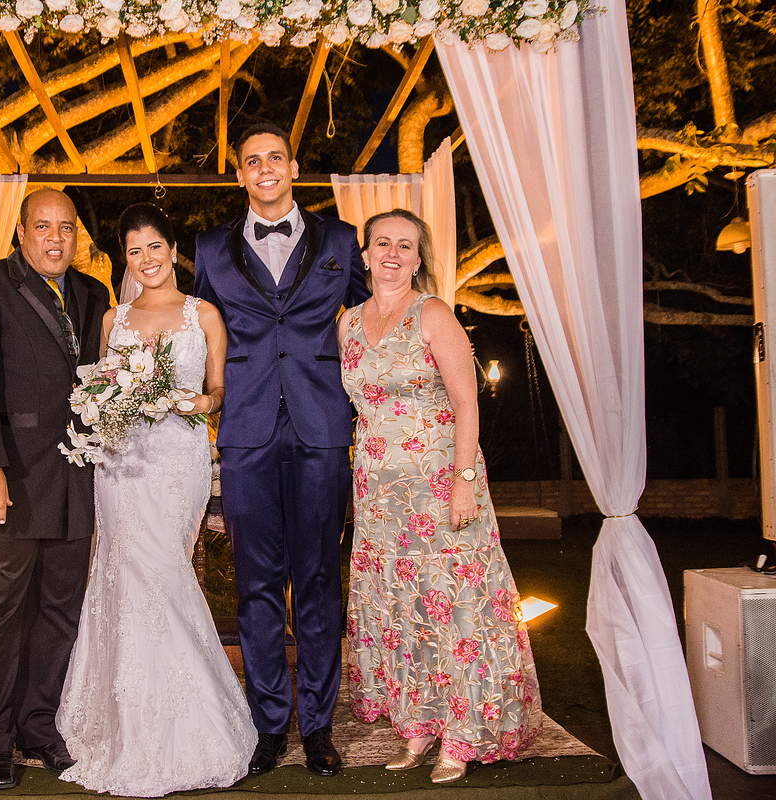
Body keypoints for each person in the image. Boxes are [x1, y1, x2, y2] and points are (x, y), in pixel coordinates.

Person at [56, 203, 257, 797]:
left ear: (172, 250)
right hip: (121, 463)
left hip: (176, 460)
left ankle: (193, 719)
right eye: (134, 251)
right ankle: (125, 721)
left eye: (155, 247)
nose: (146, 259)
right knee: (123, 574)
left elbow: (218, 389)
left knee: (165, 571)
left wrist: (200, 403)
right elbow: (99, 386)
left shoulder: (203, 314)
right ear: (126, 259)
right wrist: (105, 405)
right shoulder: (113, 319)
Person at [337, 208, 543, 784]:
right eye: (382, 243)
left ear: (418, 258)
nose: (392, 253)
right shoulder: (347, 324)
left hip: (438, 486)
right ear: (365, 254)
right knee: (403, 609)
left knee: (454, 607)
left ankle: (462, 733)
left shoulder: (433, 314)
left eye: (405, 245)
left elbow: (467, 404)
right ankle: (419, 725)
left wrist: (464, 482)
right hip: (378, 495)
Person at [193, 123, 369, 777]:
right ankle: (269, 724)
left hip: (322, 427)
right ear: (239, 173)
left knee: (319, 582)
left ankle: (318, 726)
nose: (264, 167)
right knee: (257, 585)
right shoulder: (210, 248)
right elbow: (199, 332)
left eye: (275, 157)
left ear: (293, 167)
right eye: (251, 160)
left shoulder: (341, 240)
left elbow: (370, 319)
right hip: (245, 432)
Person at [0, 188, 111, 790]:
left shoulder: (94, 294)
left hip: (75, 479)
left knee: (59, 611)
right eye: (43, 227)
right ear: (20, 232)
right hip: (7, 479)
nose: (55, 239)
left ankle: (37, 724)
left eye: (66, 228)